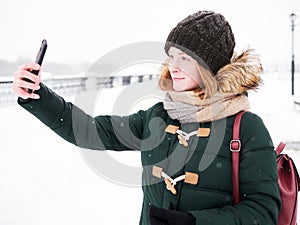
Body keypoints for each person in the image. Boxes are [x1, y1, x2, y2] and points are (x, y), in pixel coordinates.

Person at [13, 10, 281, 225]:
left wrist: (192, 222)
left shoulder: (246, 127)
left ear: (210, 65)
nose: (173, 67)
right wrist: (38, 96)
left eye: (185, 59)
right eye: (172, 56)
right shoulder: (159, 115)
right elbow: (91, 130)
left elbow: (263, 211)